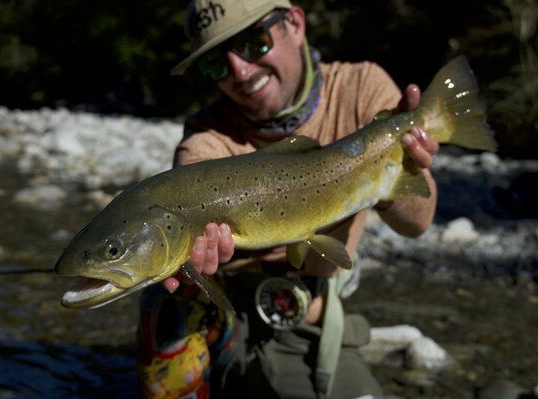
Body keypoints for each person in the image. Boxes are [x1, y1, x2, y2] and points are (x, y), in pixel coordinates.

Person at [136, 0, 439, 398]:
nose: (240, 72)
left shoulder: (362, 88)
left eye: (252, 43)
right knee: (166, 306)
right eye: (216, 64)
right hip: (221, 308)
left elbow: (417, 223)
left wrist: (396, 170)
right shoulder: (205, 141)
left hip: (306, 309)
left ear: (295, 24)